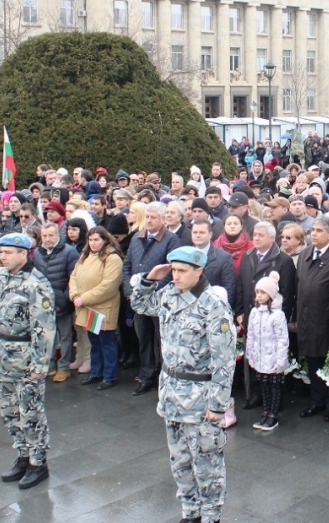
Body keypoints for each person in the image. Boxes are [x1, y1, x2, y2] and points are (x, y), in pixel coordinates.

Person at [130, 246, 235, 523]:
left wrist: (218, 404)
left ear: (199, 271)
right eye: (173, 270)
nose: (175, 276)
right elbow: (140, 304)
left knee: (207, 462)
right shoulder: (168, 295)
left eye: (181, 271)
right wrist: (149, 279)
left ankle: (211, 515)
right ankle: (190, 512)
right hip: (172, 393)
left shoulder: (213, 305)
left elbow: (224, 359)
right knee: (180, 460)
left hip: (201, 397)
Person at [0, 233, 57, 490]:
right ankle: (23, 454)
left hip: (25, 358)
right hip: (0, 354)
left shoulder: (37, 284)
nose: (3, 257)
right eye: (1, 252)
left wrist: (40, 366)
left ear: (24, 254)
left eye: (8, 253)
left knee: (31, 413)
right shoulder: (0, 276)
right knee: (9, 411)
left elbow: (45, 327)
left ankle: (38, 462)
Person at [234, 221, 297, 409]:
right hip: (251, 315)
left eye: (261, 235)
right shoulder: (248, 256)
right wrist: (240, 311)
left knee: (271, 360)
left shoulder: (283, 261)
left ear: (272, 238)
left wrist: (280, 317)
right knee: (253, 354)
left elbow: (287, 292)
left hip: (272, 318)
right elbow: (241, 286)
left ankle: (273, 400)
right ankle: (255, 394)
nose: (256, 238)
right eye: (255, 234)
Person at [122, 202, 181, 396]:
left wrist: (154, 293)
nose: (148, 220)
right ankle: (146, 376)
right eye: (147, 217)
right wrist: (131, 291)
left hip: (160, 300)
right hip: (139, 300)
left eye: (153, 217)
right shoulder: (137, 238)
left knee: (162, 339)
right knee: (144, 338)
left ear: (163, 220)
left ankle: (164, 377)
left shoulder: (171, 240)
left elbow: (171, 270)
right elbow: (128, 265)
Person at [295, 216, 329, 421]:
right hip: (307, 317)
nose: (313, 234)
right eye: (312, 230)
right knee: (313, 362)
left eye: (319, 231)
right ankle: (317, 401)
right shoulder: (305, 253)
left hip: (327, 319)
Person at [70, 227, 124, 391]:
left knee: (106, 342)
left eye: (96, 240)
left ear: (105, 240)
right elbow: (73, 276)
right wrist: (74, 295)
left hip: (102, 308)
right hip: (87, 307)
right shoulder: (85, 255)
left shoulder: (112, 258)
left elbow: (108, 287)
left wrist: (83, 298)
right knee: (94, 341)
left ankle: (110, 375)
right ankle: (96, 372)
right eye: (91, 240)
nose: (93, 243)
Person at [34, 222, 79, 382]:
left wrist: (65, 298)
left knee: (65, 336)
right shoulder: (38, 253)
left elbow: (73, 278)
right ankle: (50, 364)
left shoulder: (69, 252)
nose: (47, 239)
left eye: (50, 235)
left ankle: (64, 367)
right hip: (43, 303)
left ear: (58, 235)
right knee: (48, 336)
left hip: (63, 302)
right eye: (44, 236)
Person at [245, 272, 290, 431]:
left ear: (271, 294)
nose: (259, 295)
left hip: (273, 357)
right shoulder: (254, 312)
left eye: (263, 292)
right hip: (259, 357)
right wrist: (250, 354)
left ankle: (273, 415)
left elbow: (282, 339)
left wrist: (281, 360)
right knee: (263, 385)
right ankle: (265, 411)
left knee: (274, 386)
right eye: (257, 292)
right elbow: (250, 334)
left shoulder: (278, 315)